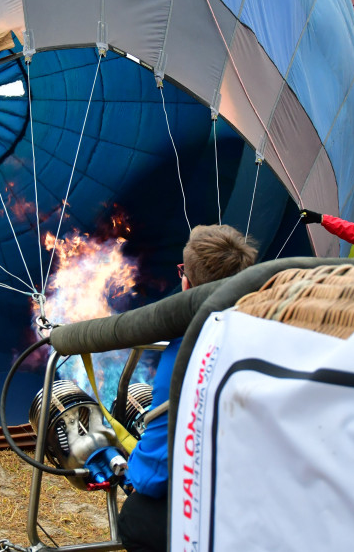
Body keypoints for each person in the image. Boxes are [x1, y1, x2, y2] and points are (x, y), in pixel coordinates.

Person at [117, 224, 258, 552]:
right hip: (257, 489)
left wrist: (134, 475)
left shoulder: (187, 350)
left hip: (219, 507)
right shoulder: (267, 326)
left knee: (136, 518)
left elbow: (154, 475)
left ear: (187, 282)